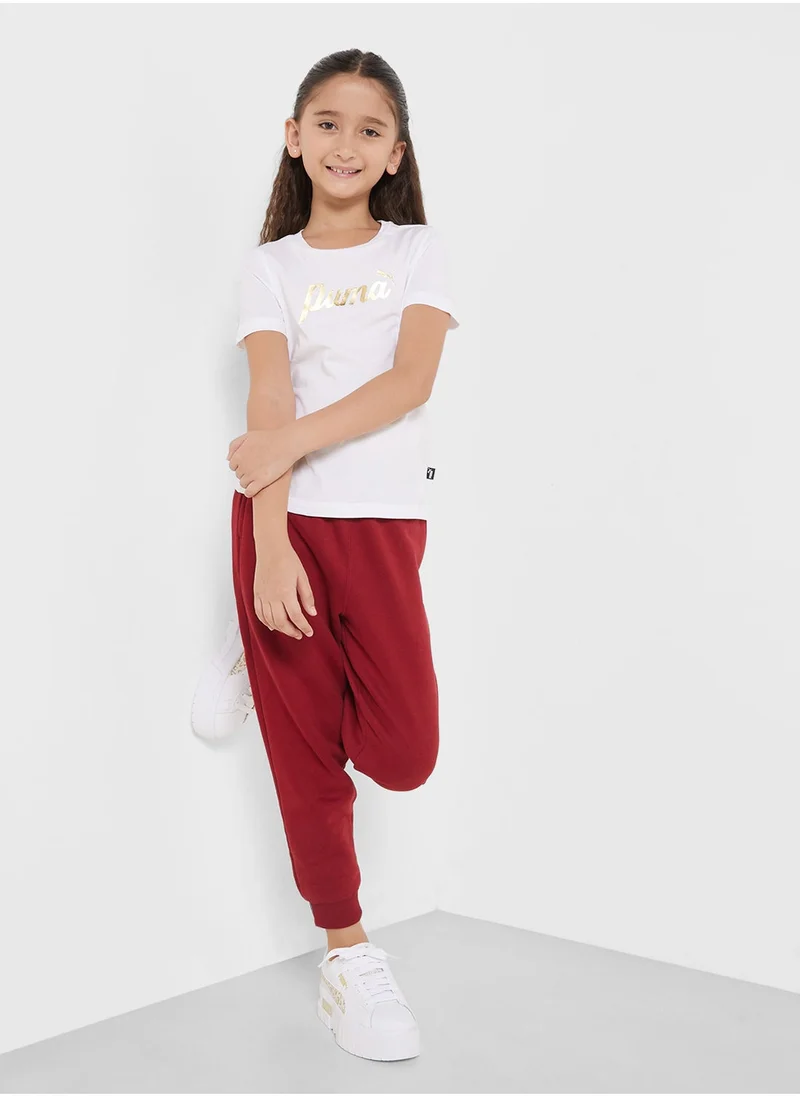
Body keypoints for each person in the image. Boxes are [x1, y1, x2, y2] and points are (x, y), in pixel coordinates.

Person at [227, 48, 459, 1062]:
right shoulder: (270, 267)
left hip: (383, 523)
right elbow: (267, 394)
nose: (346, 143)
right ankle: (347, 953)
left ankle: (258, 653)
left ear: (396, 153)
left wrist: (281, 445)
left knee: (404, 755)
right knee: (307, 755)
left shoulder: (416, 251)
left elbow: (410, 382)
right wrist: (270, 544)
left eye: (370, 129)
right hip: (284, 526)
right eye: (326, 123)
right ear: (294, 136)